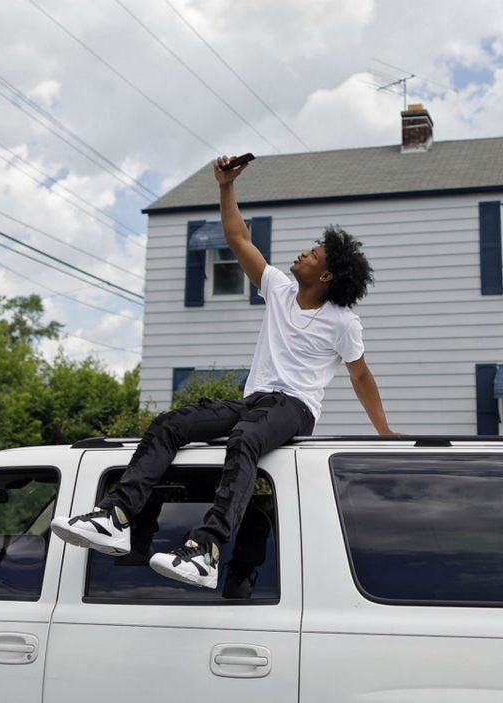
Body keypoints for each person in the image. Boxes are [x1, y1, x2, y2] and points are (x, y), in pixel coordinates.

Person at [51, 154, 395, 588]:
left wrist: (383, 431)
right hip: (255, 402)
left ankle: (206, 550)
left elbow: (360, 376)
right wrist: (225, 186)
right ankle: (115, 516)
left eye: (313, 253)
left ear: (326, 274)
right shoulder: (280, 289)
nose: (303, 252)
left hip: (295, 408)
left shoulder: (343, 322)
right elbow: (237, 239)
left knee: (245, 439)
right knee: (170, 424)